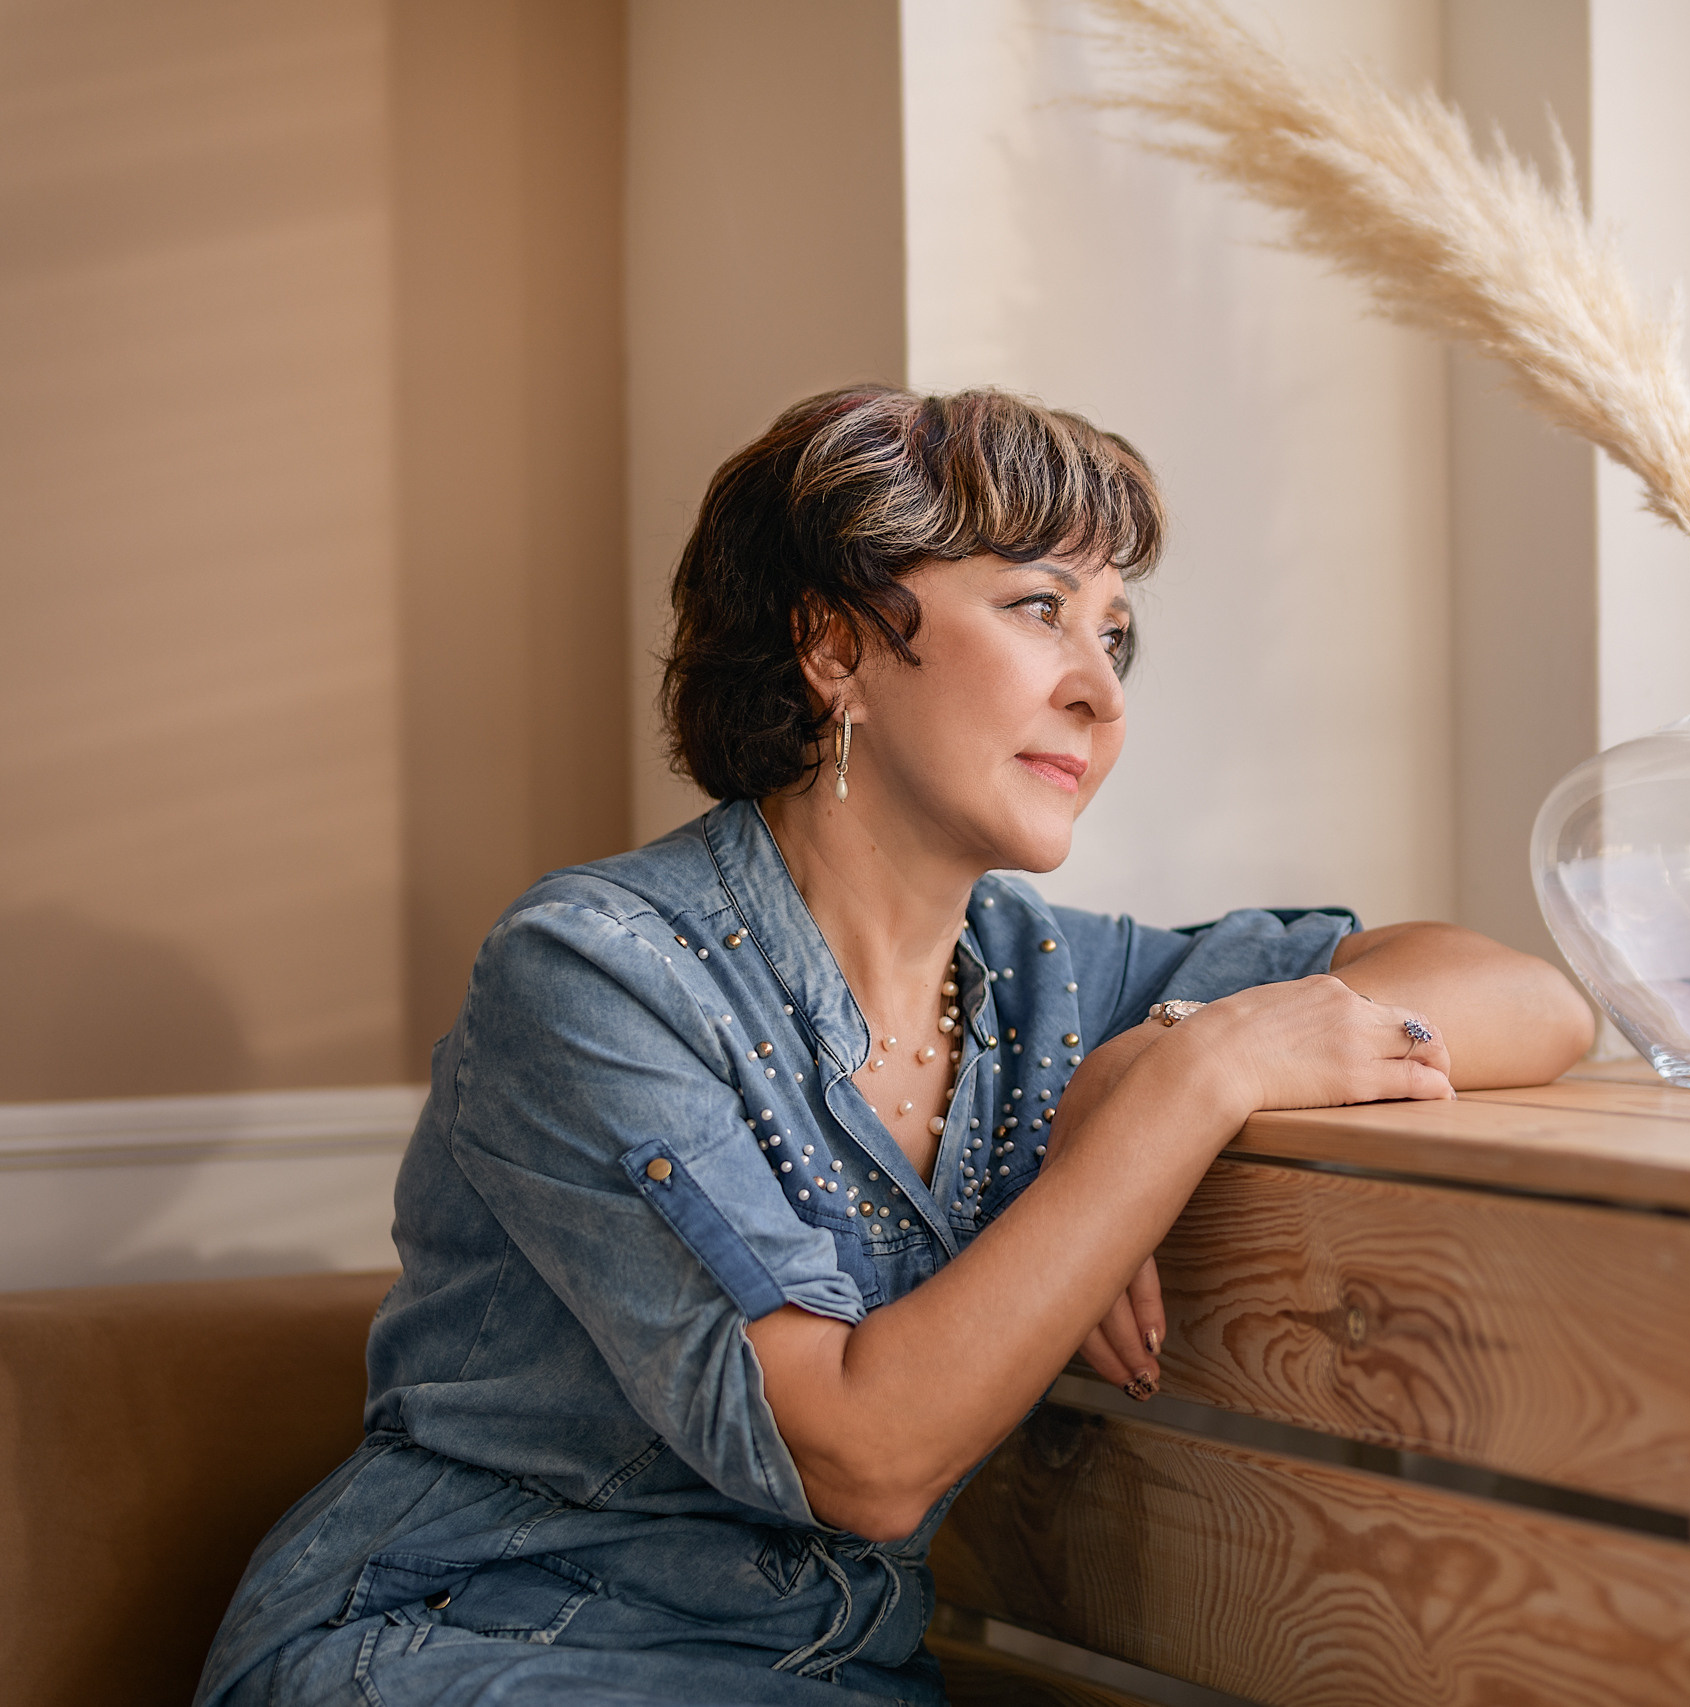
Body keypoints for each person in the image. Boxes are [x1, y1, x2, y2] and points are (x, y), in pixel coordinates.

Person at [195, 384, 1593, 1706]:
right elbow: (862, 1460)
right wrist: (1197, 1082)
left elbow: (1530, 998)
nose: (1102, 694)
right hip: (467, 1647)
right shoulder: (594, 973)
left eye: (1115, 634)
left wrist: (1149, 1053)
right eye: (1040, 607)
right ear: (837, 647)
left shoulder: (1053, 979)